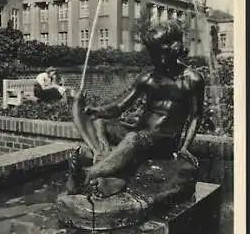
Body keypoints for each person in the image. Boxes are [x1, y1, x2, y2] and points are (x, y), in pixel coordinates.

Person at [68, 22, 205, 192]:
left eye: (158, 53)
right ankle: (103, 155)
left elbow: (196, 116)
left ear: (174, 49)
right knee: (100, 122)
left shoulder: (192, 79)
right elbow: (120, 106)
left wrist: (184, 147)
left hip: (164, 142)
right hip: (139, 134)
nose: (154, 58)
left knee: (133, 138)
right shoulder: (148, 77)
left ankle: (89, 174)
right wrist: (96, 111)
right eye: (152, 54)